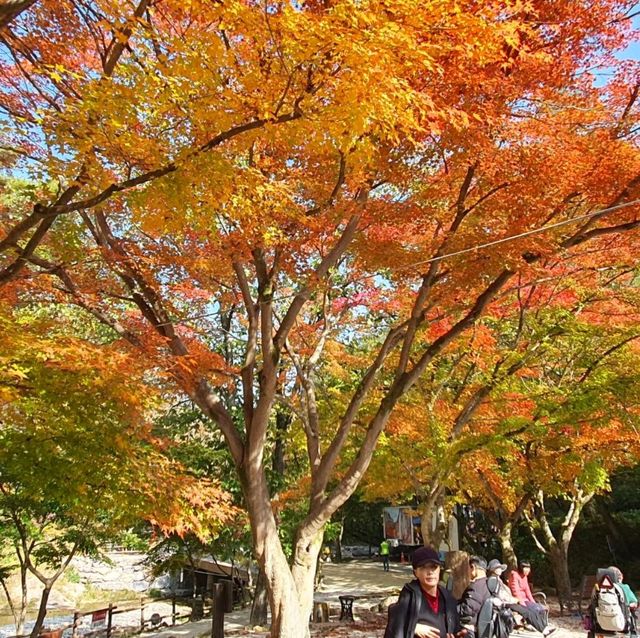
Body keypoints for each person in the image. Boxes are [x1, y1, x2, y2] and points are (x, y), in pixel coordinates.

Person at [384, 546, 463, 638]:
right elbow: (395, 626)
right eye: (424, 567)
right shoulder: (409, 596)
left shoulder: (448, 598)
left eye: (434, 567)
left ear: (439, 570)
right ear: (415, 572)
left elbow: (455, 629)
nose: (430, 572)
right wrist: (414, 628)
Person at [487, 559, 555, 636]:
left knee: (532, 610)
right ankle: (544, 630)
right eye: (497, 568)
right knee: (527, 611)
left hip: (510, 601)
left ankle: (545, 629)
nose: (499, 570)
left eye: (500, 568)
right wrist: (514, 600)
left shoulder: (498, 579)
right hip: (505, 603)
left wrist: (532, 601)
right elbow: (502, 594)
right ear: (492, 570)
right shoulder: (493, 580)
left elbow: (527, 591)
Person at [458, 556, 491, 637]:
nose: (468, 572)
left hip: (469, 629)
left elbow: (467, 610)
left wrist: (450, 609)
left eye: (468, 569)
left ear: (473, 567)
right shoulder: (487, 583)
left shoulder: (477, 586)